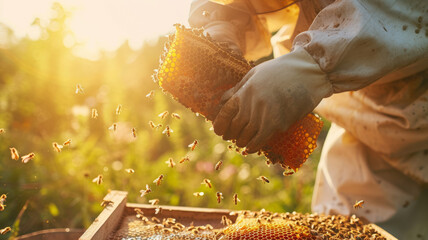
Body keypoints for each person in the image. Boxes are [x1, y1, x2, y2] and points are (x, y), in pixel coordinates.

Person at [188, 0, 428, 239]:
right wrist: (221, 18)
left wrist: (313, 65)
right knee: (343, 227)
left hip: (418, 102)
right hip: (364, 117)